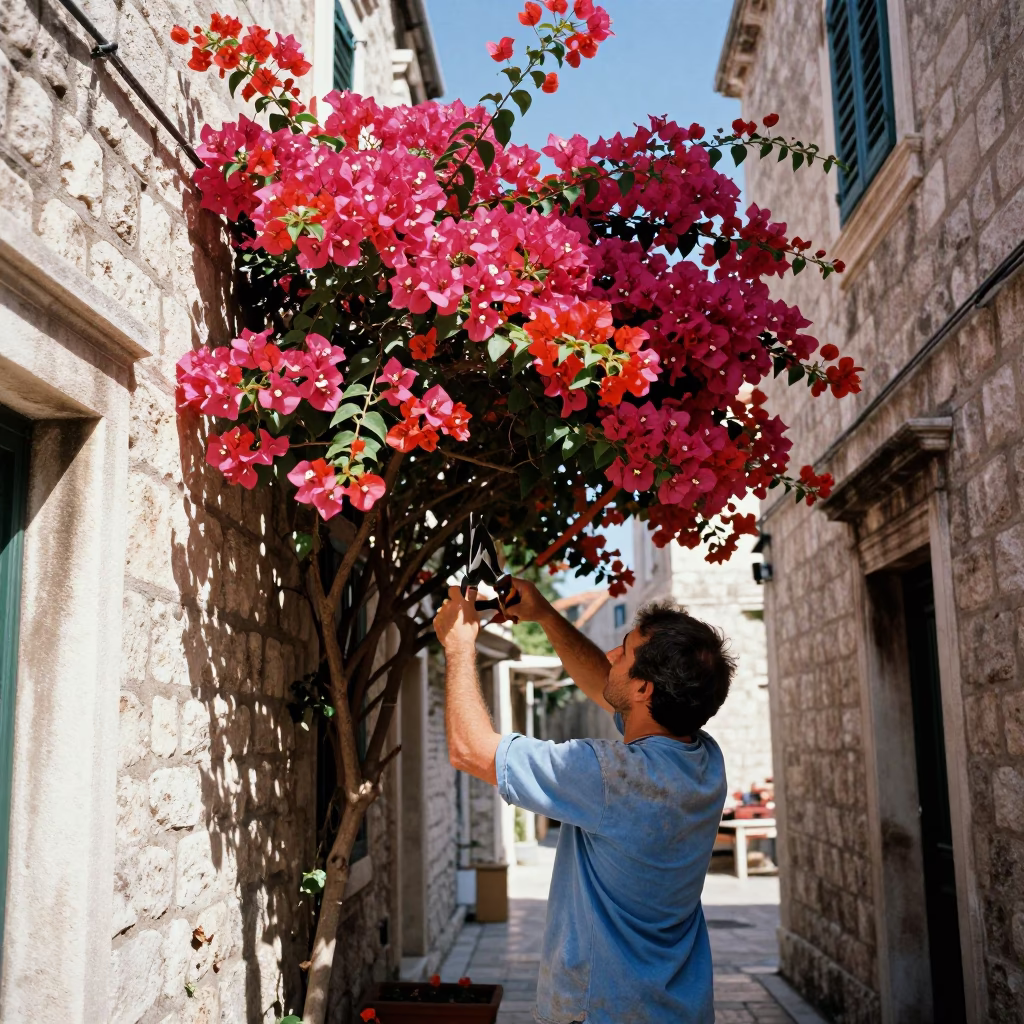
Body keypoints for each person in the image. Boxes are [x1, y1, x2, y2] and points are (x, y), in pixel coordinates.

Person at [433, 578, 735, 1024]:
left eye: (625, 651)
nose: (611, 655)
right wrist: (546, 615)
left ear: (644, 690)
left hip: (600, 1012)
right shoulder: (704, 760)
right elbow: (607, 685)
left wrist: (459, 649)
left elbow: (469, 749)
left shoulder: (607, 776)